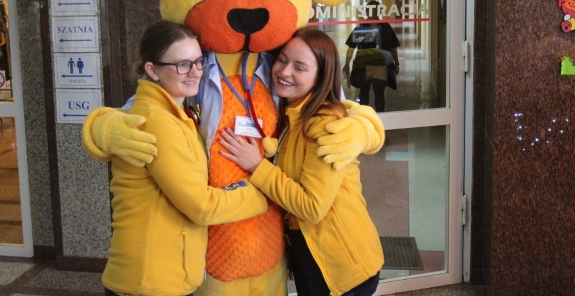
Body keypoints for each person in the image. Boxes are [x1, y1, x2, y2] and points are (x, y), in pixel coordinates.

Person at [88, 21, 269, 296]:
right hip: (149, 282)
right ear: (152, 70)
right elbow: (200, 206)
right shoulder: (158, 121)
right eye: (182, 65)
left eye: (198, 62)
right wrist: (260, 193)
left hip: (163, 277)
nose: (195, 72)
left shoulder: (177, 112)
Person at [219, 28, 384, 296]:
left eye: (300, 67)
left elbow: (311, 207)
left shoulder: (324, 126)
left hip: (343, 267)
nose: (284, 72)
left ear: (320, 77)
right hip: (310, 258)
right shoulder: (293, 113)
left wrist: (257, 166)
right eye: (282, 60)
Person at [343, 1, 400, 112]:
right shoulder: (366, 27)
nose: (372, 12)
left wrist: (396, 63)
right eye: (370, 10)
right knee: (365, 94)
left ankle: (379, 118)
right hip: (365, 66)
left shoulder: (384, 27)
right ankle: (366, 118)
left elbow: (393, 48)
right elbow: (351, 47)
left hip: (377, 65)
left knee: (378, 94)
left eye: (374, 10)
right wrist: (346, 64)